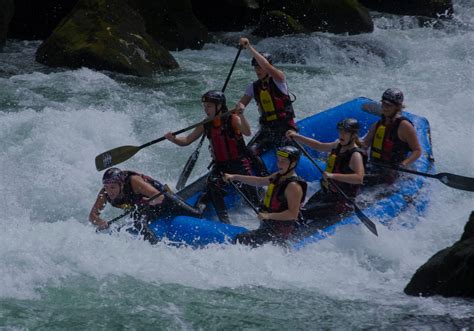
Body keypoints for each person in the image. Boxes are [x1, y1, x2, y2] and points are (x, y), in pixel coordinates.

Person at [165, 90, 260, 224]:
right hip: (220, 167)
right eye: (205, 106)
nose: (206, 109)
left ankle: (261, 210)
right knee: (212, 185)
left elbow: (247, 132)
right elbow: (186, 140)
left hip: (239, 164)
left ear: (219, 106)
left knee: (253, 197)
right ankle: (225, 221)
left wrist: (241, 115)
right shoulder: (206, 123)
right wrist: (173, 138)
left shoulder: (233, 118)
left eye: (209, 106)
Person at [235, 37, 298, 176]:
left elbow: (268, 67)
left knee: (286, 155)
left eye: (260, 66)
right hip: (267, 131)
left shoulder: (279, 80)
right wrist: (240, 108)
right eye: (256, 67)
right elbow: (240, 104)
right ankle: (264, 178)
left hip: (285, 128)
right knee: (250, 152)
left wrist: (249, 47)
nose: (258, 70)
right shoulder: (253, 87)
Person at [89, 167, 202, 243]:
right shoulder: (104, 193)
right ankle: (156, 245)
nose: (109, 191)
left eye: (113, 187)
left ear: (121, 185)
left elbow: (159, 196)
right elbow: (92, 215)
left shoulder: (134, 181)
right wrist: (100, 222)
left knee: (195, 214)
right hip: (144, 207)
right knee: (138, 222)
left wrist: (148, 201)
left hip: (161, 198)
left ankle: (204, 198)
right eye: (107, 187)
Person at [287, 119, 366, 225]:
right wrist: (296, 136)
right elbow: (318, 146)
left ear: (353, 135)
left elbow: (359, 178)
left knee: (301, 214)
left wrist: (332, 175)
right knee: (299, 212)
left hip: (341, 201)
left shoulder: (355, 155)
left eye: (345, 132)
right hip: (327, 193)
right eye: (340, 131)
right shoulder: (338, 144)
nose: (341, 135)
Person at [224, 146, 307, 247]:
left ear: (293, 163)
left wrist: (268, 216)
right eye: (278, 160)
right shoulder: (279, 176)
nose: (279, 164)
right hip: (269, 225)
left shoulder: (294, 186)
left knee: (239, 240)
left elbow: (292, 214)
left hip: (279, 231)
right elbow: (259, 181)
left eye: (283, 161)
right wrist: (234, 177)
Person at [362, 88, 422, 185]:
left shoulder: (404, 126)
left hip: (392, 171)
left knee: (361, 180)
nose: (384, 107)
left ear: (397, 107)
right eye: (383, 104)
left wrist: (403, 165)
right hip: (375, 166)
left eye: (388, 105)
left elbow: (417, 150)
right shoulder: (377, 124)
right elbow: (364, 145)